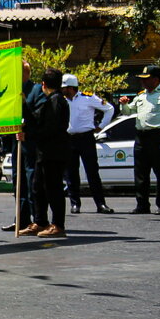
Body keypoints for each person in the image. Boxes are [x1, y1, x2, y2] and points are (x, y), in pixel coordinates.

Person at [21, 68, 70, 238]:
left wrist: (30, 134)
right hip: (44, 152)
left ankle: (58, 225)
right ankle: (40, 221)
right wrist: (23, 105)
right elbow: (35, 119)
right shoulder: (50, 101)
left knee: (53, 188)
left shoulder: (57, 101)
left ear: (43, 84)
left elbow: (50, 128)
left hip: (53, 152)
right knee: (37, 187)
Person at [61, 73, 115, 214]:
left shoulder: (88, 98)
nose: (62, 91)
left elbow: (109, 109)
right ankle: (75, 204)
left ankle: (100, 204)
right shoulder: (62, 100)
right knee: (71, 173)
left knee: (92, 172)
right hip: (68, 138)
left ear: (71, 88)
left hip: (86, 138)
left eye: (64, 88)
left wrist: (102, 126)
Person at [4, 60, 46, 233]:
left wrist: (27, 131)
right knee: (18, 182)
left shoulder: (36, 91)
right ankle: (21, 219)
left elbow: (41, 118)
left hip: (31, 144)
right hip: (16, 143)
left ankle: (37, 221)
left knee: (31, 183)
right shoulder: (10, 91)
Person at [119, 64, 160, 215]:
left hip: (158, 136)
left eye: (146, 79)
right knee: (140, 173)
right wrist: (124, 104)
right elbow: (129, 112)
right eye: (142, 79)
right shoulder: (140, 96)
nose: (143, 82)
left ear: (156, 80)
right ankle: (142, 205)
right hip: (141, 137)